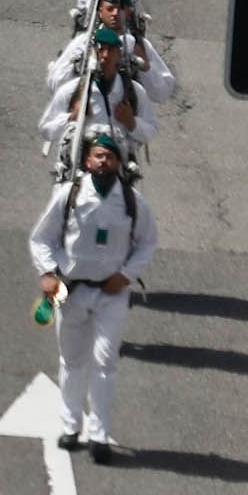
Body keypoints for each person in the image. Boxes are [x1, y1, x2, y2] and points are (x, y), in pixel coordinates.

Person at [24, 127, 153, 456]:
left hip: (111, 294)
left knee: (105, 360)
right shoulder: (69, 194)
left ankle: (99, 434)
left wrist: (125, 275)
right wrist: (48, 273)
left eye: (110, 156)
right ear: (87, 160)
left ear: (119, 163)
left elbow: (147, 244)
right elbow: (42, 238)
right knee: (72, 359)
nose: (104, 160)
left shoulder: (131, 200)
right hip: (73, 289)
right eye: (99, 155)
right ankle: (71, 426)